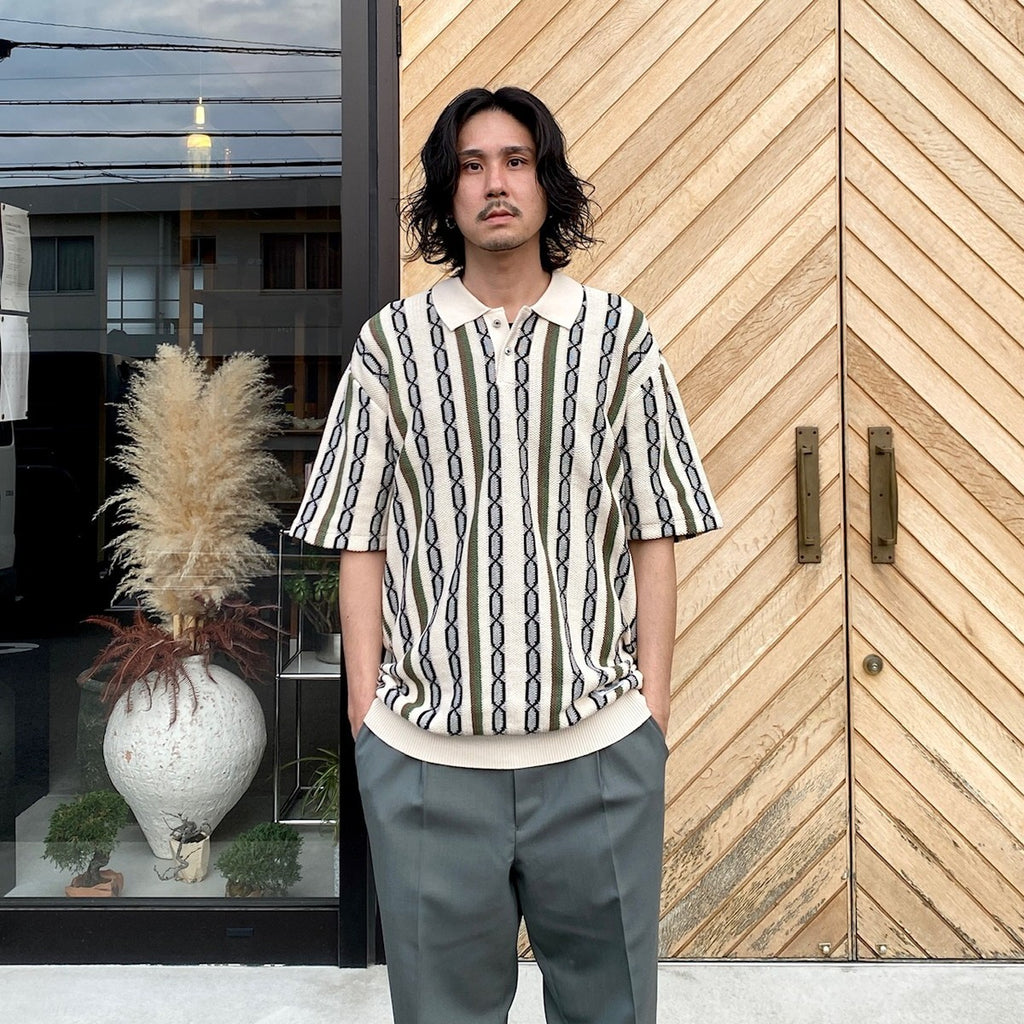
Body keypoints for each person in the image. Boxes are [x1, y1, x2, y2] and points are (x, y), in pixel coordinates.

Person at [290, 86, 722, 1024]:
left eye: (516, 161)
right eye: (473, 166)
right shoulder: (391, 346)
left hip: (598, 756)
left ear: (545, 183)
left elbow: (654, 529)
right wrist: (367, 719)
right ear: (446, 195)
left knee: (612, 1011)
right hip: (426, 764)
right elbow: (359, 536)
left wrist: (650, 712)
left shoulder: (618, 338)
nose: (495, 183)